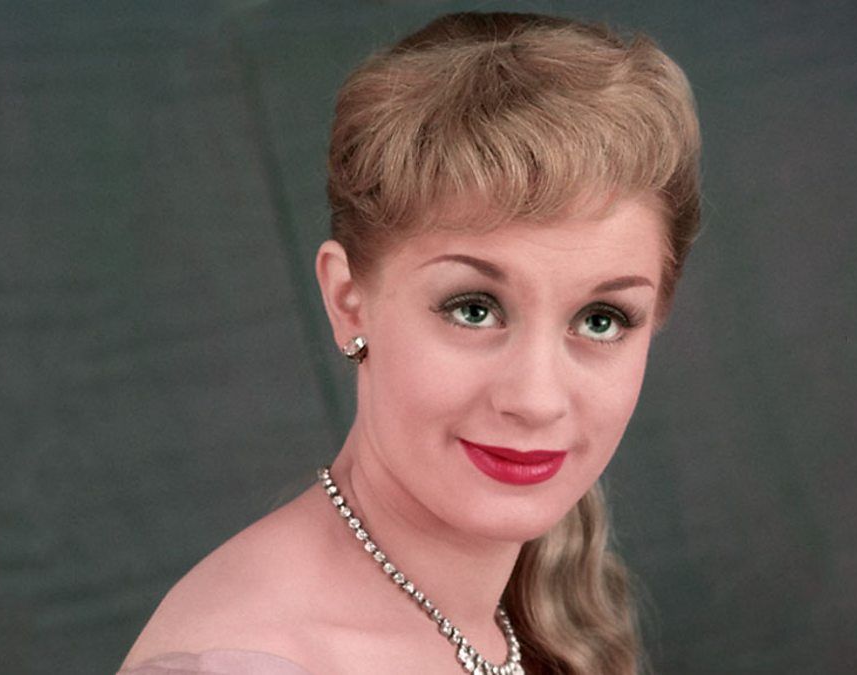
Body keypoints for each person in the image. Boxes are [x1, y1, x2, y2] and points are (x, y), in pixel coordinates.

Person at [121, 11, 700, 675]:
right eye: (474, 310)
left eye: (600, 319)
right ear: (348, 301)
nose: (536, 399)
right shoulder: (253, 659)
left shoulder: (531, 603)